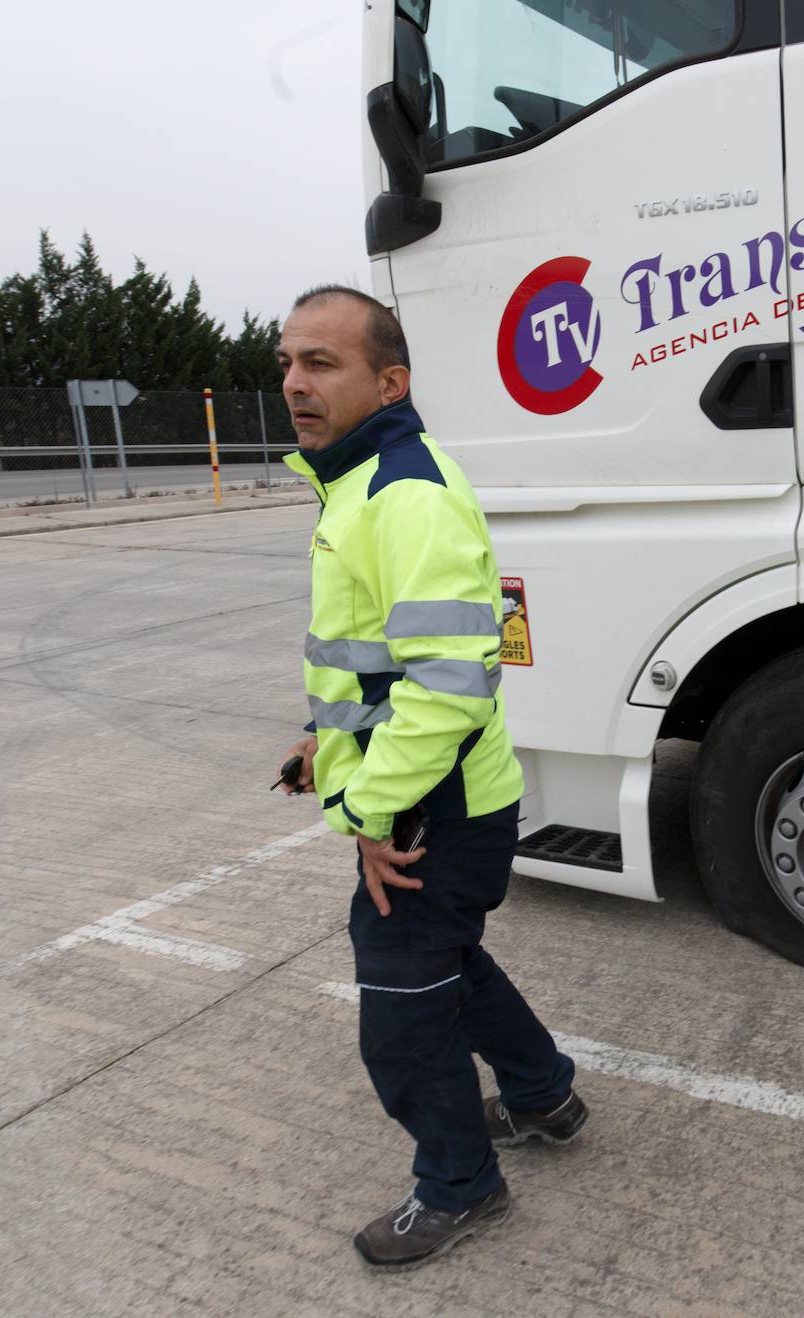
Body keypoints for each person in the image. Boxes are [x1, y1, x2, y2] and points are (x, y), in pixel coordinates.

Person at [274, 285, 586, 1270]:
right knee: (452, 958)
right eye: (287, 362)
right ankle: (543, 1097)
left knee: (403, 1017)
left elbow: (446, 690)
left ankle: (460, 1184)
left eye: (321, 363)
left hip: (427, 813)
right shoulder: (362, 481)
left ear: (389, 380)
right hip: (431, 798)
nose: (294, 382)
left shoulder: (402, 493)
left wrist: (370, 808)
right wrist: (325, 742)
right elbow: (376, 662)